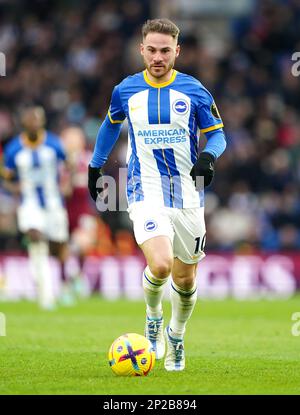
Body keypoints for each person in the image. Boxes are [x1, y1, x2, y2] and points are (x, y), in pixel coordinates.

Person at [88, 18, 227, 371]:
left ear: (177, 51)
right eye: (151, 50)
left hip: (187, 194)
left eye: (165, 50)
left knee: (185, 279)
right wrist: (95, 165)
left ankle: (176, 334)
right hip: (144, 188)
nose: (158, 57)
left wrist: (209, 157)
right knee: (161, 264)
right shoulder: (126, 90)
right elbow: (110, 125)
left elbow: (218, 135)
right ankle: (153, 319)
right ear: (141, 50)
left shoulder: (194, 91)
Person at [2, 106, 73, 309]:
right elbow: (6, 178)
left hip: (54, 203)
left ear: (42, 122)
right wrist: (15, 187)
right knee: (35, 237)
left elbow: (69, 164)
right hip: (29, 204)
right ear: (24, 124)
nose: (34, 123)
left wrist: (66, 184)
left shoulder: (53, 144)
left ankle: (66, 281)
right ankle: (46, 295)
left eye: (38, 120)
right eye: (30, 120)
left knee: (58, 247)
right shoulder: (14, 148)